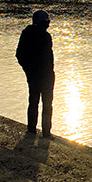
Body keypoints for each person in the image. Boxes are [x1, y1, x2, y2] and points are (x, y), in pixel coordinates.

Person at [16, 10, 55, 139]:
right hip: (42, 76)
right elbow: (20, 55)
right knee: (44, 104)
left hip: (39, 75)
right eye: (46, 22)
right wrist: (29, 70)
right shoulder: (43, 36)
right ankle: (45, 133)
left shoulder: (27, 34)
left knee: (36, 102)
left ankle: (33, 130)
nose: (48, 24)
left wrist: (28, 70)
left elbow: (19, 55)